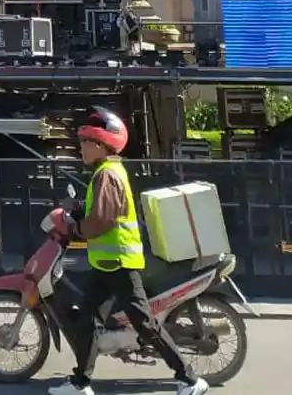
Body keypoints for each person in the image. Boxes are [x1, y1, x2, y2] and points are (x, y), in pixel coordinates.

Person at [48, 107, 208, 395]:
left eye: (85, 142)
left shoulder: (106, 175)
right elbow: (101, 211)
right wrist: (80, 211)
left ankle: (189, 379)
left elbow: (102, 221)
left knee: (145, 325)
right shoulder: (107, 171)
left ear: (101, 145)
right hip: (106, 265)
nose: (81, 148)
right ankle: (81, 383)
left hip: (118, 264)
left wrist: (76, 229)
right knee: (86, 320)